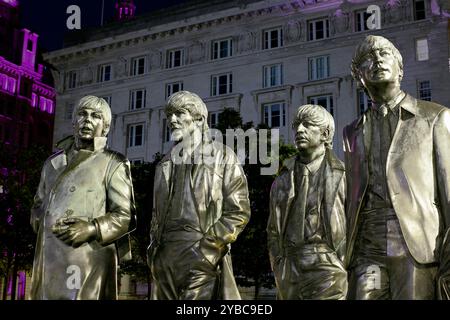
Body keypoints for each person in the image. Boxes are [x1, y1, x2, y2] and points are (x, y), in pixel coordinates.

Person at [343, 35, 450, 299]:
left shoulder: (435, 117)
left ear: (400, 69)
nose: (377, 59)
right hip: (366, 248)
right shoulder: (351, 132)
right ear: (359, 76)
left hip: (416, 246)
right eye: (368, 57)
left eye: (384, 53)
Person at [30, 95, 136, 300]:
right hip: (49, 256)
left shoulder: (113, 162)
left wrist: (92, 228)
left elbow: (125, 216)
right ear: (73, 122)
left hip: (87, 258)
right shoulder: (52, 163)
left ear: (105, 128)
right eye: (82, 114)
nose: (87, 120)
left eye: (96, 116)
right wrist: (41, 222)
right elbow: (38, 204)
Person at [147, 91, 250, 300]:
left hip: (201, 249)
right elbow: (156, 217)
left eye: (179, 113)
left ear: (199, 119)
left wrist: (210, 248)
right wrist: (153, 255)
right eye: (169, 116)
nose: (172, 120)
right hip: (165, 256)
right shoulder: (163, 165)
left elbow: (239, 211)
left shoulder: (222, 156)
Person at [267, 104, 347, 300]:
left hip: (328, 265)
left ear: (325, 134)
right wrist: (279, 262)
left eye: (307, 125)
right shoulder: (282, 179)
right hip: (288, 266)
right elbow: (272, 229)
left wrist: (340, 262)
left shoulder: (344, 175)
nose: (299, 130)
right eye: (296, 125)